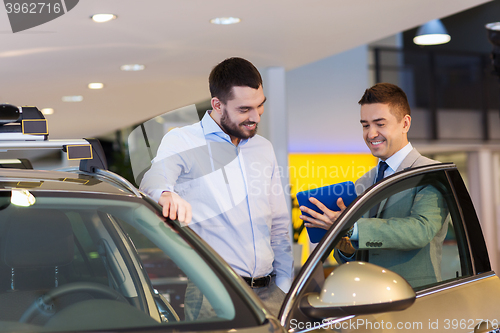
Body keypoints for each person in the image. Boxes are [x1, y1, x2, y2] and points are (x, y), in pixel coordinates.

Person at [140, 57, 293, 317]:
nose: (255, 117)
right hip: (214, 294)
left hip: (270, 295)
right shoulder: (183, 140)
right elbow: (154, 180)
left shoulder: (263, 148)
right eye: (245, 109)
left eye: (260, 106)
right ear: (217, 104)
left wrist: (285, 286)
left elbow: (278, 223)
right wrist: (166, 194)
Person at [299, 82, 449, 287]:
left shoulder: (430, 173)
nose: (370, 134)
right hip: (368, 302)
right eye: (365, 125)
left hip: (416, 300)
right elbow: (355, 254)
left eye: (380, 124)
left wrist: (350, 228)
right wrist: (346, 248)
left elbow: (420, 230)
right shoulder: (363, 182)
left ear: (405, 124)